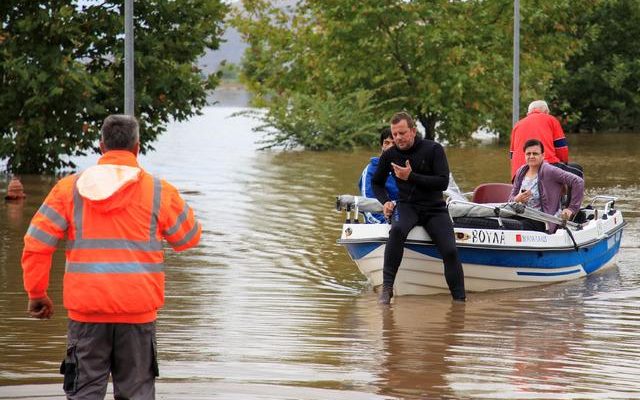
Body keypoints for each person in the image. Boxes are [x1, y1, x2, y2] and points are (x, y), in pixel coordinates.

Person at [21, 114, 201, 399]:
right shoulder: (158, 190)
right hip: (138, 312)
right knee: (136, 393)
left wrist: (37, 292)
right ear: (138, 148)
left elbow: (36, 243)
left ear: (100, 146)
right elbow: (189, 238)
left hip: (86, 314)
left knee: (84, 393)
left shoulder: (68, 189)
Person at [372, 112, 466, 304]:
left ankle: (459, 300)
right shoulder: (390, 154)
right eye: (395, 134)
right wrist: (386, 201)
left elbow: (442, 183)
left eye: (402, 133)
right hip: (408, 206)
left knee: (450, 251)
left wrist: (411, 176)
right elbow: (377, 183)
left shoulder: (433, 149)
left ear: (413, 131)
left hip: (435, 208)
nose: (398, 138)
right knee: (397, 230)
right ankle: (387, 289)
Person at [509, 139, 584, 233]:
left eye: (535, 153)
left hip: (542, 221)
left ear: (542, 156)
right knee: (493, 221)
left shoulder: (549, 170)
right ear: (524, 155)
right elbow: (510, 200)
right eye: (528, 154)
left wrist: (571, 209)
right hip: (522, 215)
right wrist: (517, 199)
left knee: (508, 225)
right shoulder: (521, 171)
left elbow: (578, 181)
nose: (531, 156)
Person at [510, 100, 583, 180]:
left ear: (528, 113)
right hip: (546, 167)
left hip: (518, 174)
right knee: (577, 170)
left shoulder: (517, 125)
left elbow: (512, 155)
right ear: (546, 111)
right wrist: (563, 163)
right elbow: (561, 148)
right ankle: (569, 193)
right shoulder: (551, 120)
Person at [358, 127, 399, 223]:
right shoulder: (370, 170)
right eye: (387, 143)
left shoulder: (407, 168)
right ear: (382, 146)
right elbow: (368, 208)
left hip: (404, 220)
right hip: (380, 224)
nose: (390, 147)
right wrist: (386, 224)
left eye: (394, 143)